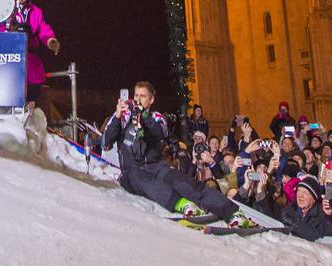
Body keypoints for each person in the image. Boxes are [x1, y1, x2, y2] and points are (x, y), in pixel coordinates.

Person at [101, 80, 251, 227]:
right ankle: (182, 204)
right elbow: (105, 142)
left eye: (143, 96)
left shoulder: (156, 117)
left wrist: (143, 117)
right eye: (136, 96)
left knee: (184, 181)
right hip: (131, 172)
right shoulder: (122, 118)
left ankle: (232, 212)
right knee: (142, 179)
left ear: (151, 99)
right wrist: (117, 116)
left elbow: (159, 133)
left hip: (155, 166)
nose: (138, 100)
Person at [0, 0, 59, 107]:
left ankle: (30, 111)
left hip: (29, 58)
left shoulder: (36, 12)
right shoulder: (4, 8)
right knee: (9, 90)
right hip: (8, 57)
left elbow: (43, 29)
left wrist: (51, 41)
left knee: (31, 94)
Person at [282, 174, 332, 242]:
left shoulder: (322, 214)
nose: (300, 196)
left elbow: (325, 238)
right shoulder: (291, 208)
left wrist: (329, 217)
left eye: (305, 192)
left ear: (314, 198)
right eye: (299, 191)